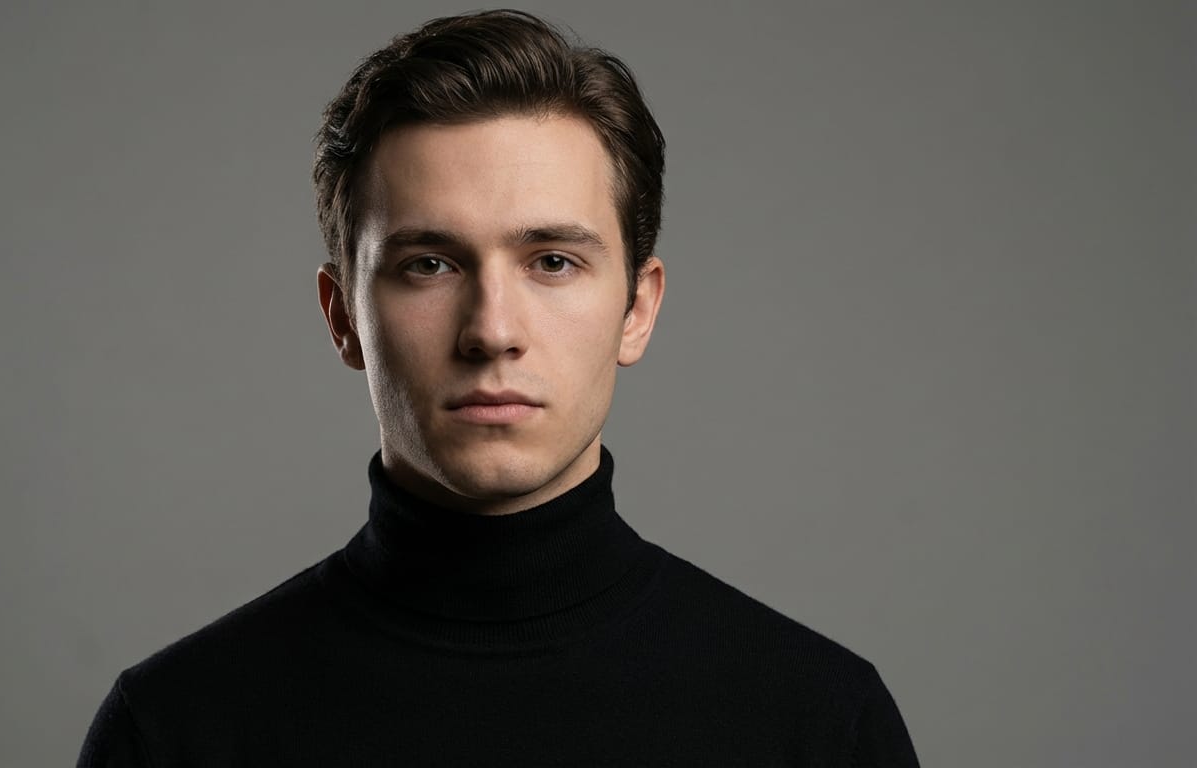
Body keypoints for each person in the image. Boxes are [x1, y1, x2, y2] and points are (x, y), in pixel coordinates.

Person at [78, 9, 919, 766]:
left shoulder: (819, 727)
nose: (491, 330)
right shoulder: (176, 732)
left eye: (553, 261)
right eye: (429, 265)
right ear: (343, 318)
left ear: (637, 309)